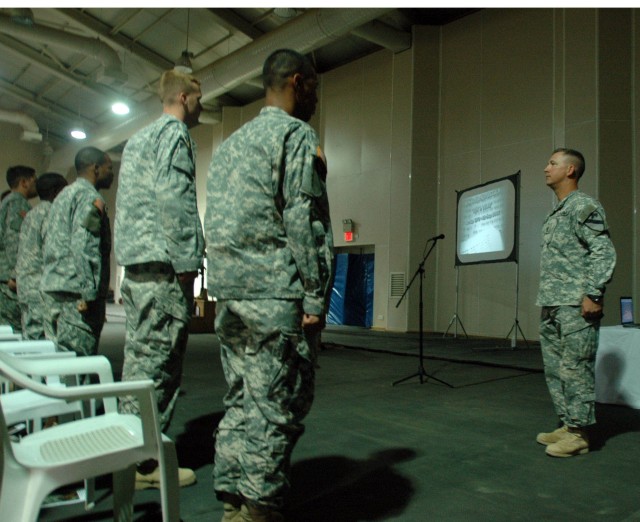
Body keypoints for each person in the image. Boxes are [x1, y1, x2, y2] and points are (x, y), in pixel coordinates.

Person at [205, 49, 334, 521]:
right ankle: (259, 508)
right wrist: (316, 293)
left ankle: (232, 496)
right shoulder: (296, 135)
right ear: (297, 82)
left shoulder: (232, 144)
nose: (315, 98)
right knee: (276, 402)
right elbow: (302, 219)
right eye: (314, 88)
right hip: (275, 293)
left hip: (231, 292)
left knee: (240, 395)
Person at [115, 69, 204, 489]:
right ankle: (145, 465)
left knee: (137, 364)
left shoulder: (136, 140)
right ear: (184, 98)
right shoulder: (174, 134)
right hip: (163, 268)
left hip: (136, 268)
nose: (202, 107)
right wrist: (188, 263)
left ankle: (127, 452)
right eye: (200, 99)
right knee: (159, 369)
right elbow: (176, 197)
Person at [536, 148, 616, 458]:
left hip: (575, 304)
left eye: (552, 163)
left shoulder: (584, 206)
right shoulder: (557, 211)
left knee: (576, 369)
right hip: (553, 302)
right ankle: (569, 424)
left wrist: (594, 294)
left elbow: (603, 252)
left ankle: (580, 433)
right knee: (556, 370)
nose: (546, 168)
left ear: (570, 170)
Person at [41, 147, 113, 356]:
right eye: (109, 168)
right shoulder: (88, 197)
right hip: (75, 295)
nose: (112, 173)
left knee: (57, 363)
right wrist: (89, 291)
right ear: (96, 168)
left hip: (54, 288)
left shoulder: (64, 195)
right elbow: (84, 244)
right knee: (77, 364)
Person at [16, 172, 68, 339]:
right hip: (40, 288)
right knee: (42, 342)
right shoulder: (52, 213)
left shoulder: (31, 214)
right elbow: (53, 252)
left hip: (26, 285)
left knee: (30, 337)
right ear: (56, 192)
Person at [0, 165, 37, 331]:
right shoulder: (17, 205)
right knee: (13, 333)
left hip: (6, 280)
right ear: (24, 182)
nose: (36, 185)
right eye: (33, 181)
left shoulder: (8, 203)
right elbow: (14, 242)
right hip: (10, 285)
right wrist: (15, 276)